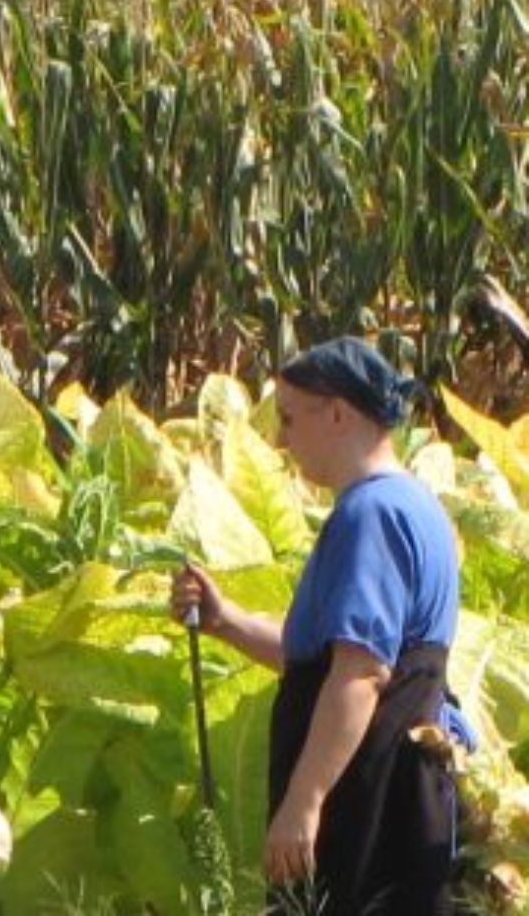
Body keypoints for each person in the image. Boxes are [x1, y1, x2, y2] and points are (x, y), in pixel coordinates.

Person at [170, 336, 462, 914]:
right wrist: (226, 621)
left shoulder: (370, 514)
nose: (280, 440)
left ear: (336, 412)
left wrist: (305, 803)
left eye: (287, 418)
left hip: (367, 807)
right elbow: (329, 663)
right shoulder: (414, 506)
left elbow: (358, 676)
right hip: (403, 796)